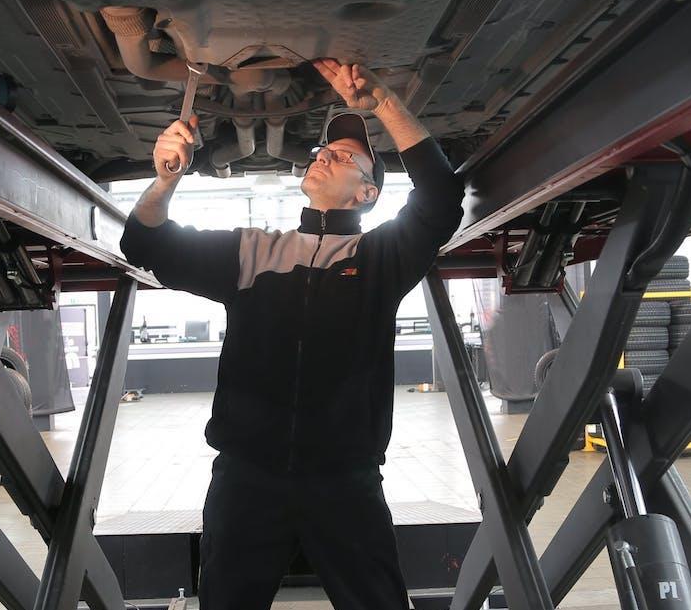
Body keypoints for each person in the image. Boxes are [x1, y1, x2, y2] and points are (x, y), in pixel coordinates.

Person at [120, 58, 463, 610]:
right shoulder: (254, 250)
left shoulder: (380, 259)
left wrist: (384, 105)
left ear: (367, 195)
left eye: (345, 156)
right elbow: (146, 247)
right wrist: (164, 181)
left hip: (345, 482)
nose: (325, 154)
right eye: (324, 151)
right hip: (247, 480)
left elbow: (442, 201)